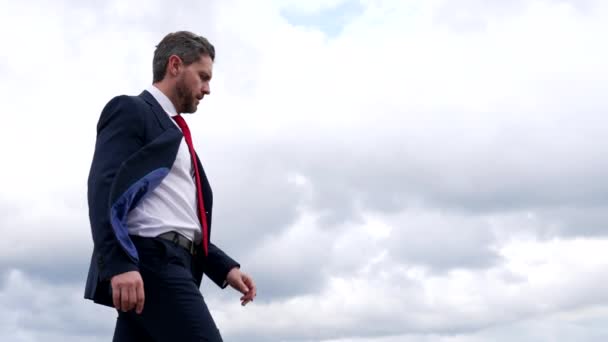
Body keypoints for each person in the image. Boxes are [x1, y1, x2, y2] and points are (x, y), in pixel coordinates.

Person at [84, 30, 256, 341]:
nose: (207, 89)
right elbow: (103, 187)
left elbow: (177, 217)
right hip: (152, 263)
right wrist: (119, 263)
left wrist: (224, 268)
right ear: (175, 65)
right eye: (203, 77)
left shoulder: (177, 136)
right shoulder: (131, 110)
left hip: (171, 263)